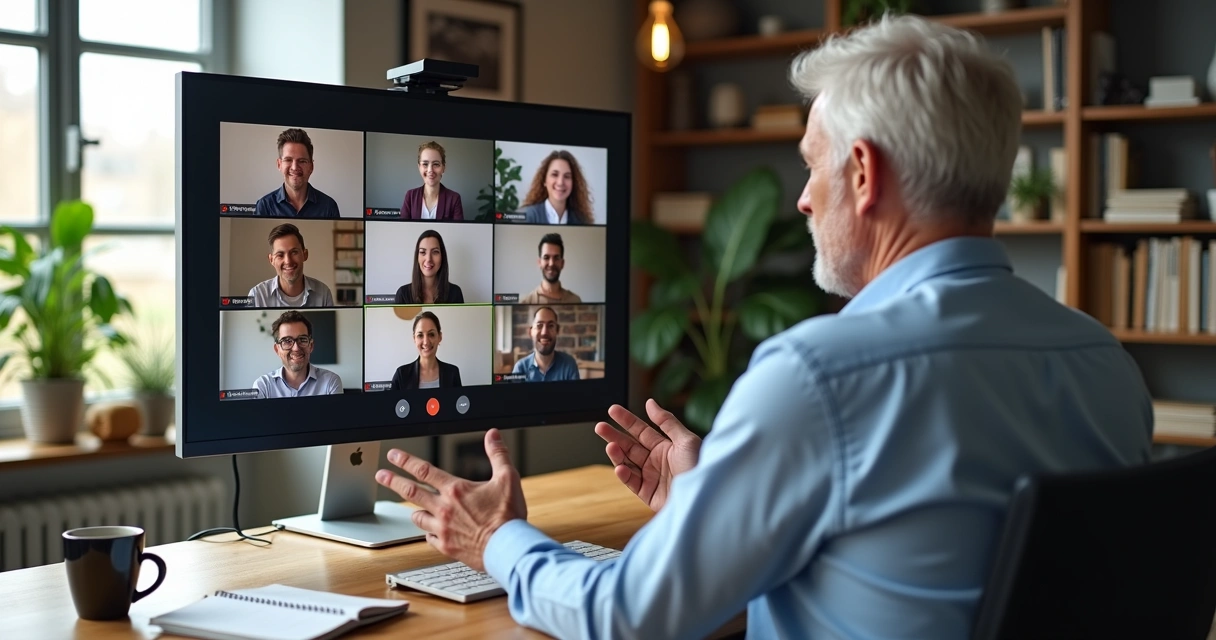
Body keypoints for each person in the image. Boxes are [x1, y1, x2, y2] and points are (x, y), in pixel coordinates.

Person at [373, 15, 1154, 640]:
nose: (803, 200)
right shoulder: (1105, 364)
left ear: (862, 173)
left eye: (811, 167)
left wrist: (497, 542)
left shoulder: (821, 377)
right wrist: (717, 501)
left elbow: (630, 618)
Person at [253, 310, 343, 398]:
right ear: (277, 350)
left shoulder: (330, 382)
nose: (296, 348)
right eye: (287, 341)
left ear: (311, 346)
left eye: (302, 339)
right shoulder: (263, 386)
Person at [254, 128, 340, 218]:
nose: (294, 167)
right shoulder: (265, 206)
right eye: (288, 160)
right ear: (279, 165)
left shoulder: (328, 207)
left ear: (311, 167)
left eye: (302, 161)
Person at [248, 223, 335, 307]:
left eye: (294, 252)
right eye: (280, 255)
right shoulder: (257, 295)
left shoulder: (324, 293)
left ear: (305, 255)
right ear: (271, 260)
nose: (288, 261)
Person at [389, 311, 463, 390]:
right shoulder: (401, 375)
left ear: (439, 337)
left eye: (431, 334)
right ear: (414, 339)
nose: (426, 342)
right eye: (420, 335)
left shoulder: (452, 373)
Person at [520, 150, 593, 225]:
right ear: (544, 180)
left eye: (567, 176)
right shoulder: (527, 216)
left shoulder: (582, 220)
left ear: (574, 183)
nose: (560, 182)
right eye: (554, 175)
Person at [508, 306, 580, 382]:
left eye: (551, 326)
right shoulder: (520, 368)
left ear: (557, 330)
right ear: (531, 332)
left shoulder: (569, 364)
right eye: (539, 326)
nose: (544, 332)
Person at [393, 229, 465, 304]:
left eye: (435, 252)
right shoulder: (403, 294)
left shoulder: (455, 293)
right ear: (417, 257)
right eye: (422, 252)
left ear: (442, 256)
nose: (428, 259)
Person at [400, 141, 465, 220]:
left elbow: (457, 231)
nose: (430, 170)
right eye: (425, 164)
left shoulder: (454, 199)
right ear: (419, 167)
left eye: (436, 164)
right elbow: (403, 229)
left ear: (443, 168)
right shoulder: (410, 196)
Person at [518, 233, 581, 304]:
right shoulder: (526, 302)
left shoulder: (575, 300)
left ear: (562, 263)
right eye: (546, 257)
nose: (551, 263)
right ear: (539, 262)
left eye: (556, 258)